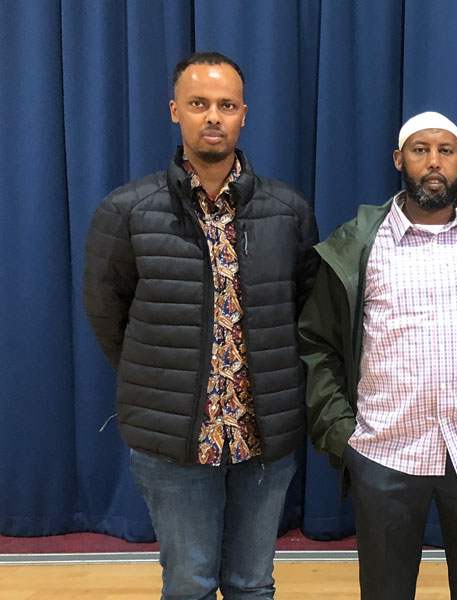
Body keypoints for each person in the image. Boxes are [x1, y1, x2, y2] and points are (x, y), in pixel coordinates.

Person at [82, 52, 318, 598]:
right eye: (198, 103)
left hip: (264, 437)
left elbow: (307, 313)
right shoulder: (127, 211)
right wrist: (163, 379)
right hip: (173, 438)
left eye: (226, 105)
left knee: (252, 584)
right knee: (189, 585)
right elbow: (107, 313)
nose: (213, 116)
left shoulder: (288, 211)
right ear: (175, 111)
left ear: (243, 115)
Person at [298, 111, 457, 599]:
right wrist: (343, 436)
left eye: (445, 151)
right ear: (399, 159)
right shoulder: (357, 244)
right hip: (384, 451)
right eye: (420, 150)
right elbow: (319, 344)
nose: (434, 162)